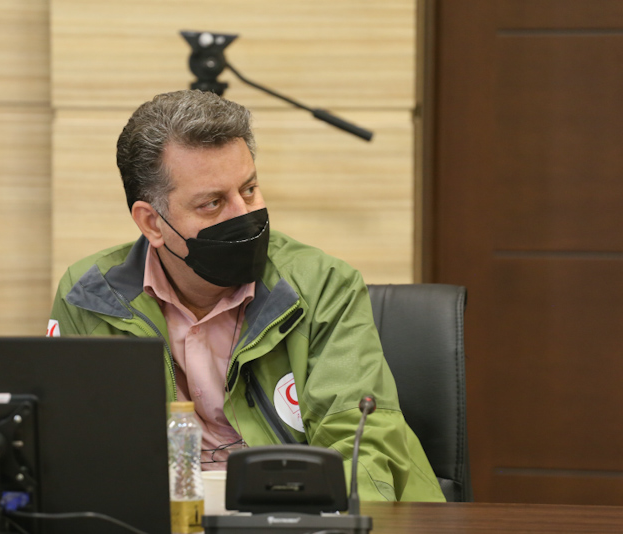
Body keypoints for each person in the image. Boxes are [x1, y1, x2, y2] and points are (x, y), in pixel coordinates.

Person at [48, 90, 445, 502]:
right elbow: (73, 451)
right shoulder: (91, 295)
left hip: (298, 513)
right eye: (213, 203)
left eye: (250, 189)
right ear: (152, 222)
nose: (244, 214)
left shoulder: (324, 285)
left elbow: (363, 451)